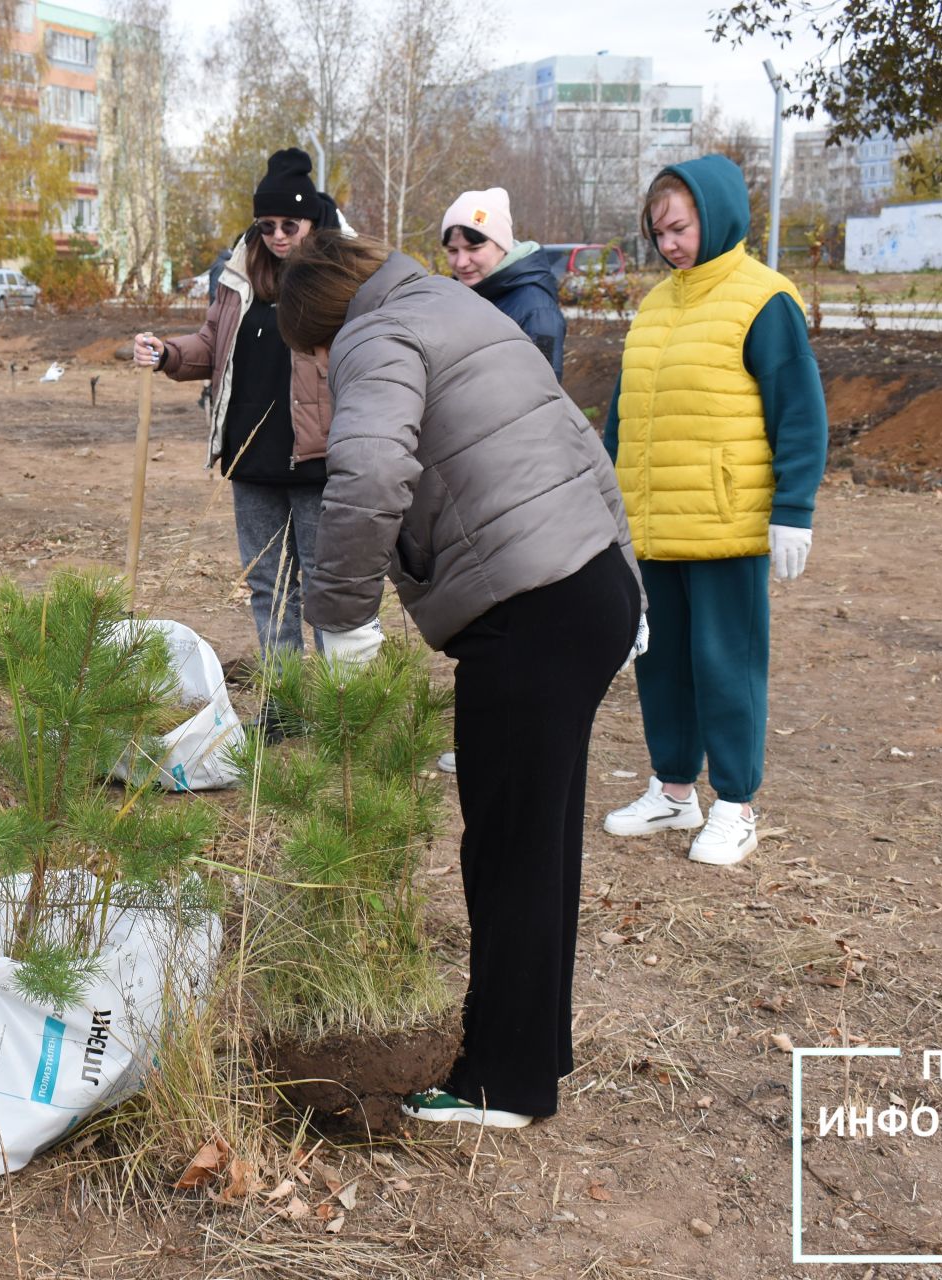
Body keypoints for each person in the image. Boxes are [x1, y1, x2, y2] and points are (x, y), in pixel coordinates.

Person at [278, 230, 643, 1129]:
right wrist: (628, 585)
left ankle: (502, 1083)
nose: (323, 369)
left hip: (529, 607)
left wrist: (342, 616)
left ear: (321, 330)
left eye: (311, 356)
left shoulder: (372, 338)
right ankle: (534, 1048)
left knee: (510, 850)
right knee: (543, 839)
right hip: (588, 584)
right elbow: (581, 445)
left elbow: (369, 472)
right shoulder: (454, 307)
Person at [599, 156, 827, 866]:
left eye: (679, 227)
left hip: (728, 527)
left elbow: (800, 410)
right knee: (660, 664)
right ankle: (673, 793)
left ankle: (737, 804)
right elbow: (625, 417)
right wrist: (608, 504)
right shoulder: (657, 305)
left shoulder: (764, 300)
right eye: (658, 232)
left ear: (717, 213)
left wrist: (793, 506)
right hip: (655, 525)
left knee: (726, 665)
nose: (668, 243)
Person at [133, 148, 347, 691]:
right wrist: (167, 354)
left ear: (313, 221)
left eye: (290, 225)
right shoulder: (238, 273)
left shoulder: (339, 276)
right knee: (268, 586)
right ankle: (285, 701)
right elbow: (212, 344)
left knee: (325, 585)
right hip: (251, 458)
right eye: (267, 224)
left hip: (320, 458)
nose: (278, 236)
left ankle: (342, 707)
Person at [440, 187, 566, 379]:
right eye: (452, 251)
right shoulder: (460, 296)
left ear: (502, 245)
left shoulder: (537, 312)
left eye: (474, 248)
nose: (461, 262)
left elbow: (541, 394)